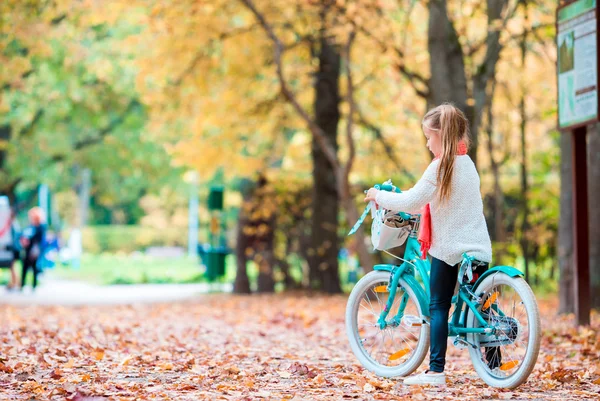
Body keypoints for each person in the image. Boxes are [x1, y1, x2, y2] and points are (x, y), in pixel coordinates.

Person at [364, 103, 495, 386]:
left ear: (441, 135)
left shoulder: (440, 167)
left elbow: (411, 202)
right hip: (478, 247)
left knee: (437, 306)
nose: (427, 142)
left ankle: (436, 371)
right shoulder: (468, 165)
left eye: (429, 136)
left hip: (448, 250)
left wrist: (378, 195)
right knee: (480, 301)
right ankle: (496, 366)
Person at [20, 207, 46, 291]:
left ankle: (34, 285)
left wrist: (30, 240)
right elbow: (24, 234)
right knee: (25, 267)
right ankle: (22, 284)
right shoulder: (30, 225)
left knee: (34, 267)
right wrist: (24, 240)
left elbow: (40, 238)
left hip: (35, 249)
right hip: (28, 248)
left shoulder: (41, 226)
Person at [7, 209, 21, 290]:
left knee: (12, 266)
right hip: (15, 248)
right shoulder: (15, 224)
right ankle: (13, 282)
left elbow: (14, 238)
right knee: (12, 266)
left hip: (14, 249)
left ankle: (15, 283)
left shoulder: (13, 225)